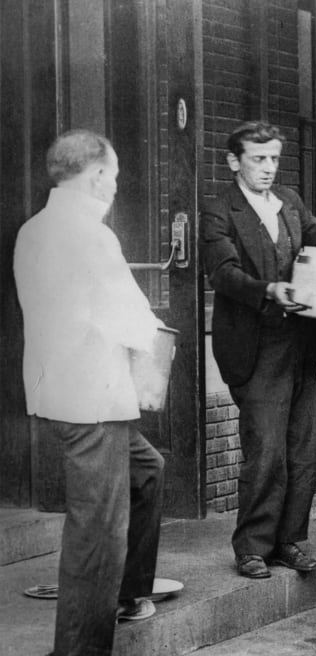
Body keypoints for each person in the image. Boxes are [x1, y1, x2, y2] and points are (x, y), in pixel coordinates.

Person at [201, 121, 316, 579]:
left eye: (273, 159)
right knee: (266, 451)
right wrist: (270, 290)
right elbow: (222, 273)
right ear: (234, 161)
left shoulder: (288, 201)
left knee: (305, 450)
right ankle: (251, 547)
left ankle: (288, 540)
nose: (268, 168)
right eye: (258, 159)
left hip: (300, 345)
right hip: (255, 347)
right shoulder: (218, 210)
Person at [14, 129, 165, 655]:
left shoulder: (33, 229)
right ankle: (78, 650)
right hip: (95, 403)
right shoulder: (91, 234)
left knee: (147, 472)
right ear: (97, 174)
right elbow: (130, 318)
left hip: (59, 394)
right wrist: (159, 350)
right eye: (116, 176)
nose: (117, 186)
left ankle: (127, 594)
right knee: (97, 532)